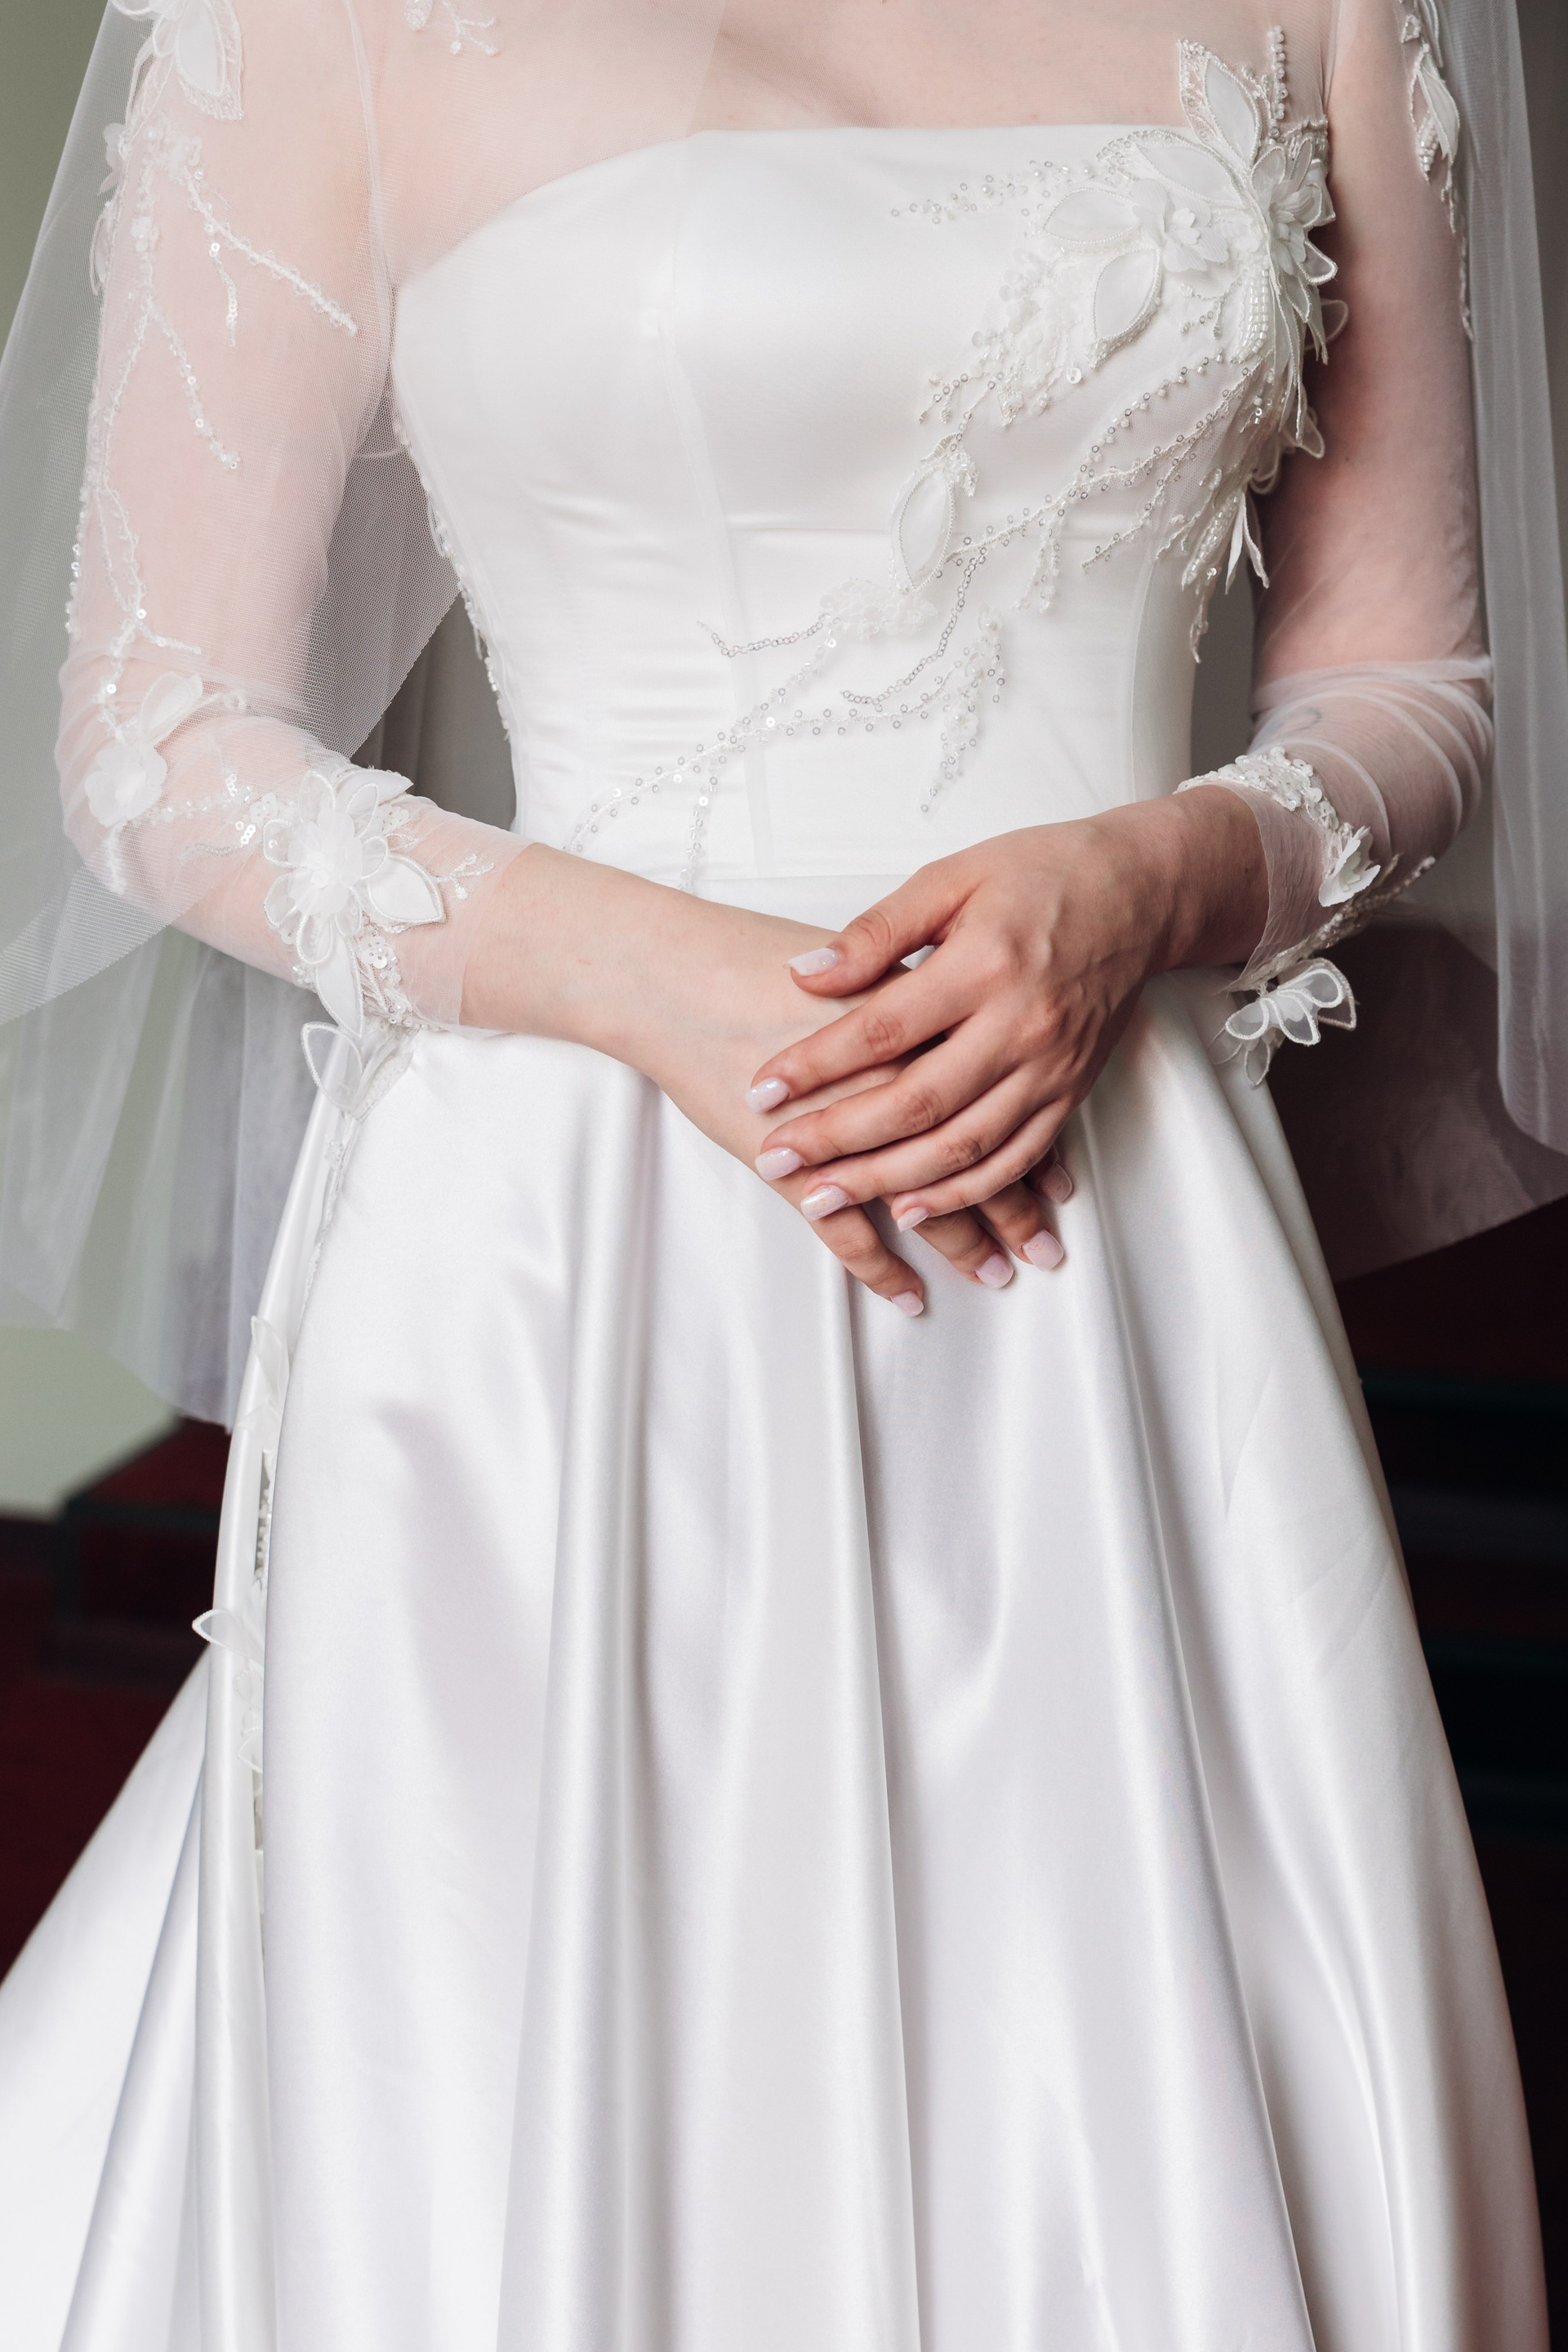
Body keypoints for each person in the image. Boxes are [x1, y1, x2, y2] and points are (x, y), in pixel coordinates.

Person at [0, 0, 1557, 2343]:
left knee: (1134, 2079)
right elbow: (157, 733)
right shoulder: (320, 21)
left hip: (1106, 1234)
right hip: (571, 1256)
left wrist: (1152, 879)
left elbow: (1410, 685)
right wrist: (654, 978)